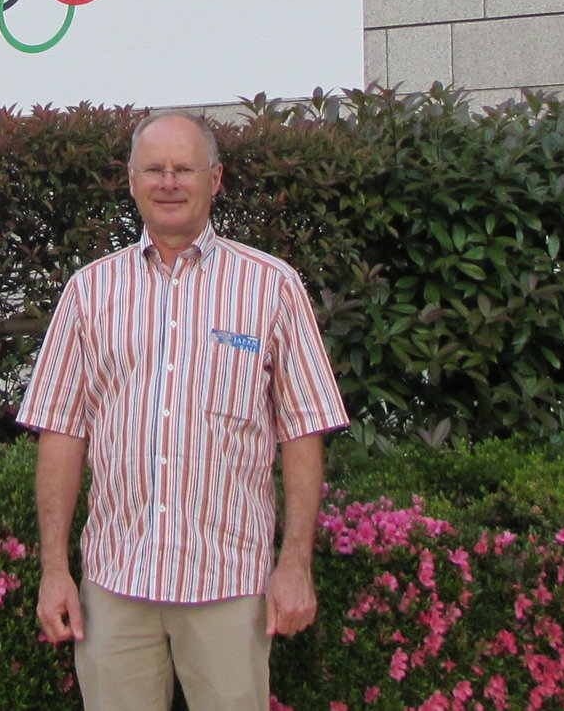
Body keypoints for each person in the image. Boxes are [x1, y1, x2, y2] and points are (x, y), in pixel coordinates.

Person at [17, 109, 349, 711]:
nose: (169, 181)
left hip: (229, 587)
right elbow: (61, 433)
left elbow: (303, 431)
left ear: (215, 179)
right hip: (116, 585)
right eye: (154, 169)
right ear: (131, 180)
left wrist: (295, 563)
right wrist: (53, 571)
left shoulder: (271, 287)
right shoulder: (89, 293)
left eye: (184, 168)